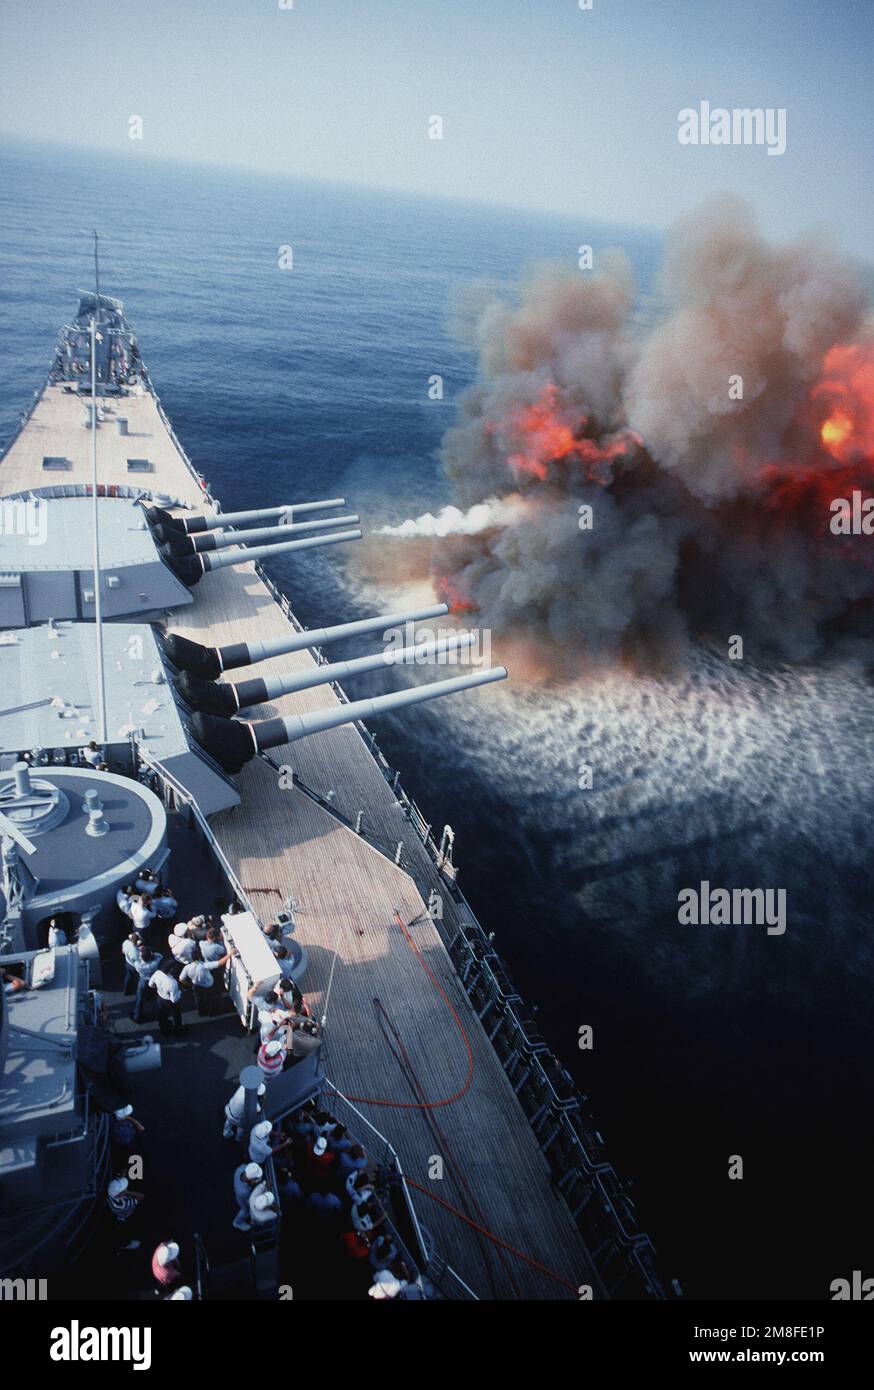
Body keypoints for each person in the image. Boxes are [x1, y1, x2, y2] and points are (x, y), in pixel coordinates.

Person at [179, 943, 233, 1016]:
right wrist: (230, 954)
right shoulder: (204, 966)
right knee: (211, 999)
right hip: (208, 985)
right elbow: (220, 963)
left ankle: (202, 1012)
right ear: (200, 957)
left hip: (197, 985)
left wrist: (189, 984)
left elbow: (181, 979)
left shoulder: (187, 968)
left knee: (199, 1000)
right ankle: (213, 1013)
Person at [148, 962, 185, 1036]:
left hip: (160, 998)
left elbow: (150, 984)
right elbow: (174, 999)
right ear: (170, 970)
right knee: (176, 1015)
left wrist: (159, 988)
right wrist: (180, 992)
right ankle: (178, 1031)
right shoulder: (172, 983)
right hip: (169, 1001)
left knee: (162, 1015)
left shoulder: (157, 973)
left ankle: (164, 1029)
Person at [131, 946, 161, 1024]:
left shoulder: (138, 965)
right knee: (155, 995)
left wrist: (141, 953)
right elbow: (160, 955)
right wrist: (152, 954)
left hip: (143, 981)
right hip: (153, 980)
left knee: (140, 998)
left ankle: (137, 1016)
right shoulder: (155, 963)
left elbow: (135, 959)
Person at [232, 1161, 263, 1231]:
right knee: (245, 1210)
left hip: (240, 1190)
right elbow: (250, 1200)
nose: (256, 1180)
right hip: (241, 1198)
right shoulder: (243, 1192)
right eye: (255, 1179)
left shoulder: (241, 1168)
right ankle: (237, 1222)